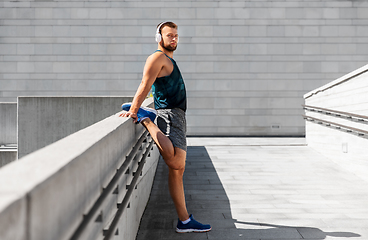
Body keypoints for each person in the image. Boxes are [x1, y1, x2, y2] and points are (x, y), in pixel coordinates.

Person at [119, 21, 211, 233]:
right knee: (175, 161)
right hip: (168, 115)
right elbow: (145, 84)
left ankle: (184, 221)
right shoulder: (157, 57)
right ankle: (146, 118)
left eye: (176, 35)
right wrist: (134, 111)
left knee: (178, 169)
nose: (174, 39)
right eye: (169, 35)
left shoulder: (168, 59)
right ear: (158, 38)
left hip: (176, 116)